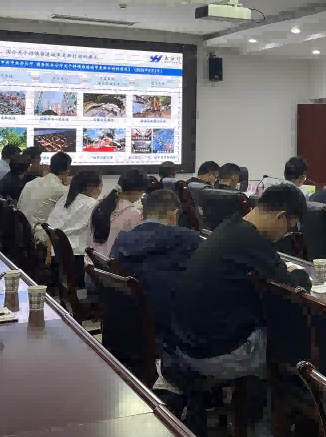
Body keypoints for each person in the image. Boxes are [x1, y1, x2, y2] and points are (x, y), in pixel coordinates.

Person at [167, 184, 311, 437]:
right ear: (281, 216)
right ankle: (270, 426)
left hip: (185, 346)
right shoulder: (252, 241)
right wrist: (299, 274)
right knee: (291, 346)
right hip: (214, 355)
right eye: (290, 228)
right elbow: (291, 286)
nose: (285, 235)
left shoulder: (230, 227)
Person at [110, 189, 202, 338]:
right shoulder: (188, 239)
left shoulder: (121, 240)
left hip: (126, 326)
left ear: (143, 214)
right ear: (173, 215)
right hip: (174, 328)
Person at [86, 169, 147, 262]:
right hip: (111, 268)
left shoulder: (100, 206)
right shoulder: (134, 214)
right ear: (137, 191)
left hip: (91, 264)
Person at [47, 171, 102, 256]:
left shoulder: (63, 199)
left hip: (55, 252)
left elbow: (49, 225)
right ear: (92, 188)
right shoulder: (92, 204)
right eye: (100, 187)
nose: (100, 191)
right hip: (76, 255)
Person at [19, 151, 72, 238]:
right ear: (67, 170)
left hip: (20, 230)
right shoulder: (62, 190)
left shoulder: (31, 182)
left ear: (50, 167)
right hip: (39, 236)